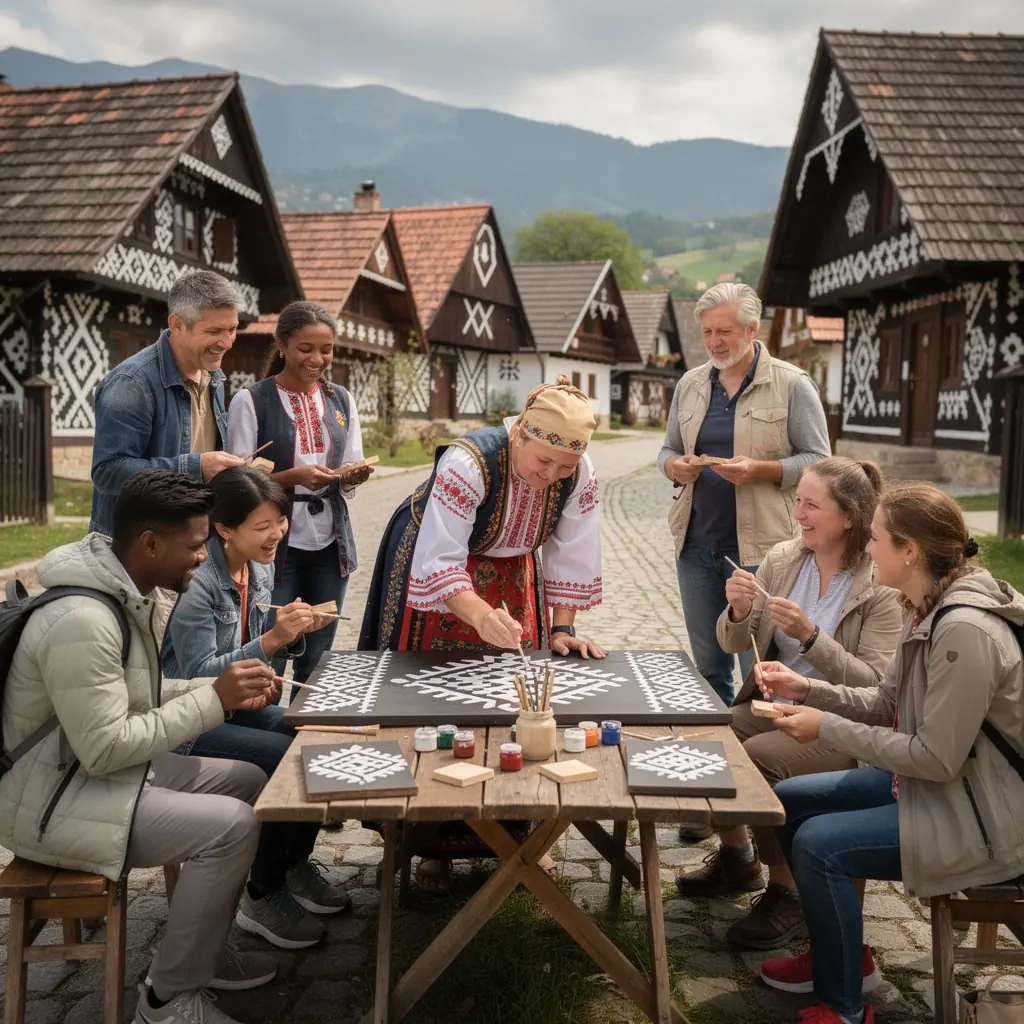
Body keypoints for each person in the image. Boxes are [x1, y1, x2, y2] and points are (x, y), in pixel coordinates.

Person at [0, 470, 283, 1024]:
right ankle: (166, 999)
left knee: (250, 780)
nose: (202, 557)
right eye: (194, 545)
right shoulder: (83, 621)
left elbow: (134, 697)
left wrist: (216, 690)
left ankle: (201, 950)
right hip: (53, 804)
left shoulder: (124, 592)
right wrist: (213, 699)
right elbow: (106, 746)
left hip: (86, 777)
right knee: (231, 828)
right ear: (149, 544)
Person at [753, 484, 1024, 1024]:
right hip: (942, 790)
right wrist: (808, 690)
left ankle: (844, 1008)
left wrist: (825, 727)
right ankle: (841, 957)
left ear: (910, 551)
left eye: (875, 538)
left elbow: (935, 758)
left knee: (819, 845)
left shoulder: (964, 631)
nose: (867, 548)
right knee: (789, 800)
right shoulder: (924, 607)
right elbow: (886, 703)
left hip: (986, 818)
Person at [359, 375, 606, 890]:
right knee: (435, 699)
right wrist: (479, 615)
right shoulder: (468, 463)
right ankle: (426, 846)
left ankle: (521, 838)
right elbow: (440, 560)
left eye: (564, 467)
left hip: (515, 570)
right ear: (520, 434)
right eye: (543, 461)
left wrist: (563, 628)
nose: (551, 475)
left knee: (519, 700)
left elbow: (572, 551)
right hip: (441, 569)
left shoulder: (578, 474)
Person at [675, 457, 903, 952]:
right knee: (705, 738)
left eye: (811, 505)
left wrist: (811, 636)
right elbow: (735, 642)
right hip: (773, 705)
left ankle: (790, 893)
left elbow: (876, 687)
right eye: (797, 501)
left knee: (759, 761)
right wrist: (738, 610)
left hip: (839, 720)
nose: (797, 513)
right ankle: (738, 858)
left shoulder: (878, 584)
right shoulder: (784, 559)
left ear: (849, 517)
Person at [162, 466, 352, 950]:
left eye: (280, 521)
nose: (277, 534)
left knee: (314, 733)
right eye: (262, 526)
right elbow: (198, 674)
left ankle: (292, 864)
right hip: (185, 721)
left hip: (229, 708)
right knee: (285, 759)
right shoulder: (198, 583)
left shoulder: (258, 566)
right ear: (224, 529)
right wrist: (271, 641)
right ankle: (262, 894)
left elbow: (252, 652)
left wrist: (286, 641)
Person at [659, 282, 830, 708]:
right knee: (708, 670)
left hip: (764, 550)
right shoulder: (689, 384)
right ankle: (717, 740)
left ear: (752, 329)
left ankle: (759, 743)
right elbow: (667, 449)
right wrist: (674, 466)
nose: (714, 342)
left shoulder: (792, 384)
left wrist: (760, 470)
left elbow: (819, 462)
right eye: (707, 332)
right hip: (696, 548)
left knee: (760, 670)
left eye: (724, 331)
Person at [226, 301, 372, 689]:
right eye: (305, 348)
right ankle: (263, 722)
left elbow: (350, 461)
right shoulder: (251, 401)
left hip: (330, 544)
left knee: (319, 657)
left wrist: (353, 476)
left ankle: (304, 721)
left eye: (326, 350)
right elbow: (237, 482)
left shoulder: (341, 400)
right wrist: (292, 478)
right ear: (281, 345)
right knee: (269, 651)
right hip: (275, 547)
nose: (317, 359)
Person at [90, 270, 246, 536]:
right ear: (177, 324)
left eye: (232, 329)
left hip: (190, 536)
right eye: (214, 331)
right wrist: (195, 467)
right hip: (136, 544)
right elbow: (107, 472)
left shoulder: (214, 376)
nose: (227, 342)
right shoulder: (132, 383)